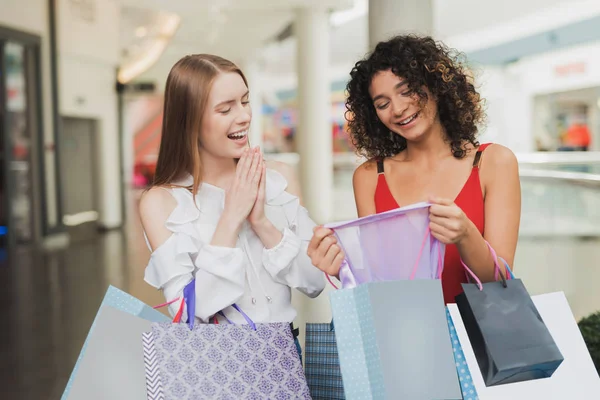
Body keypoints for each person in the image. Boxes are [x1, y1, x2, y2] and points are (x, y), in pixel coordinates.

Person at [308, 35, 521, 304]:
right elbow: (380, 284)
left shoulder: (494, 162)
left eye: (407, 90)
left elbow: (501, 280)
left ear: (435, 86)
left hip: (477, 339)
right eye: (382, 104)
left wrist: (466, 235)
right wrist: (340, 268)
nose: (398, 109)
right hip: (406, 336)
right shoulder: (370, 177)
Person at [139, 54, 324, 338]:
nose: (244, 116)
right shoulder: (162, 202)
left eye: (245, 101)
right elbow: (187, 316)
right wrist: (231, 217)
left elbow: (314, 282)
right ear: (189, 122)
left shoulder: (279, 177)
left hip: (285, 356)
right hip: (215, 368)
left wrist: (261, 222)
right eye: (225, 110)